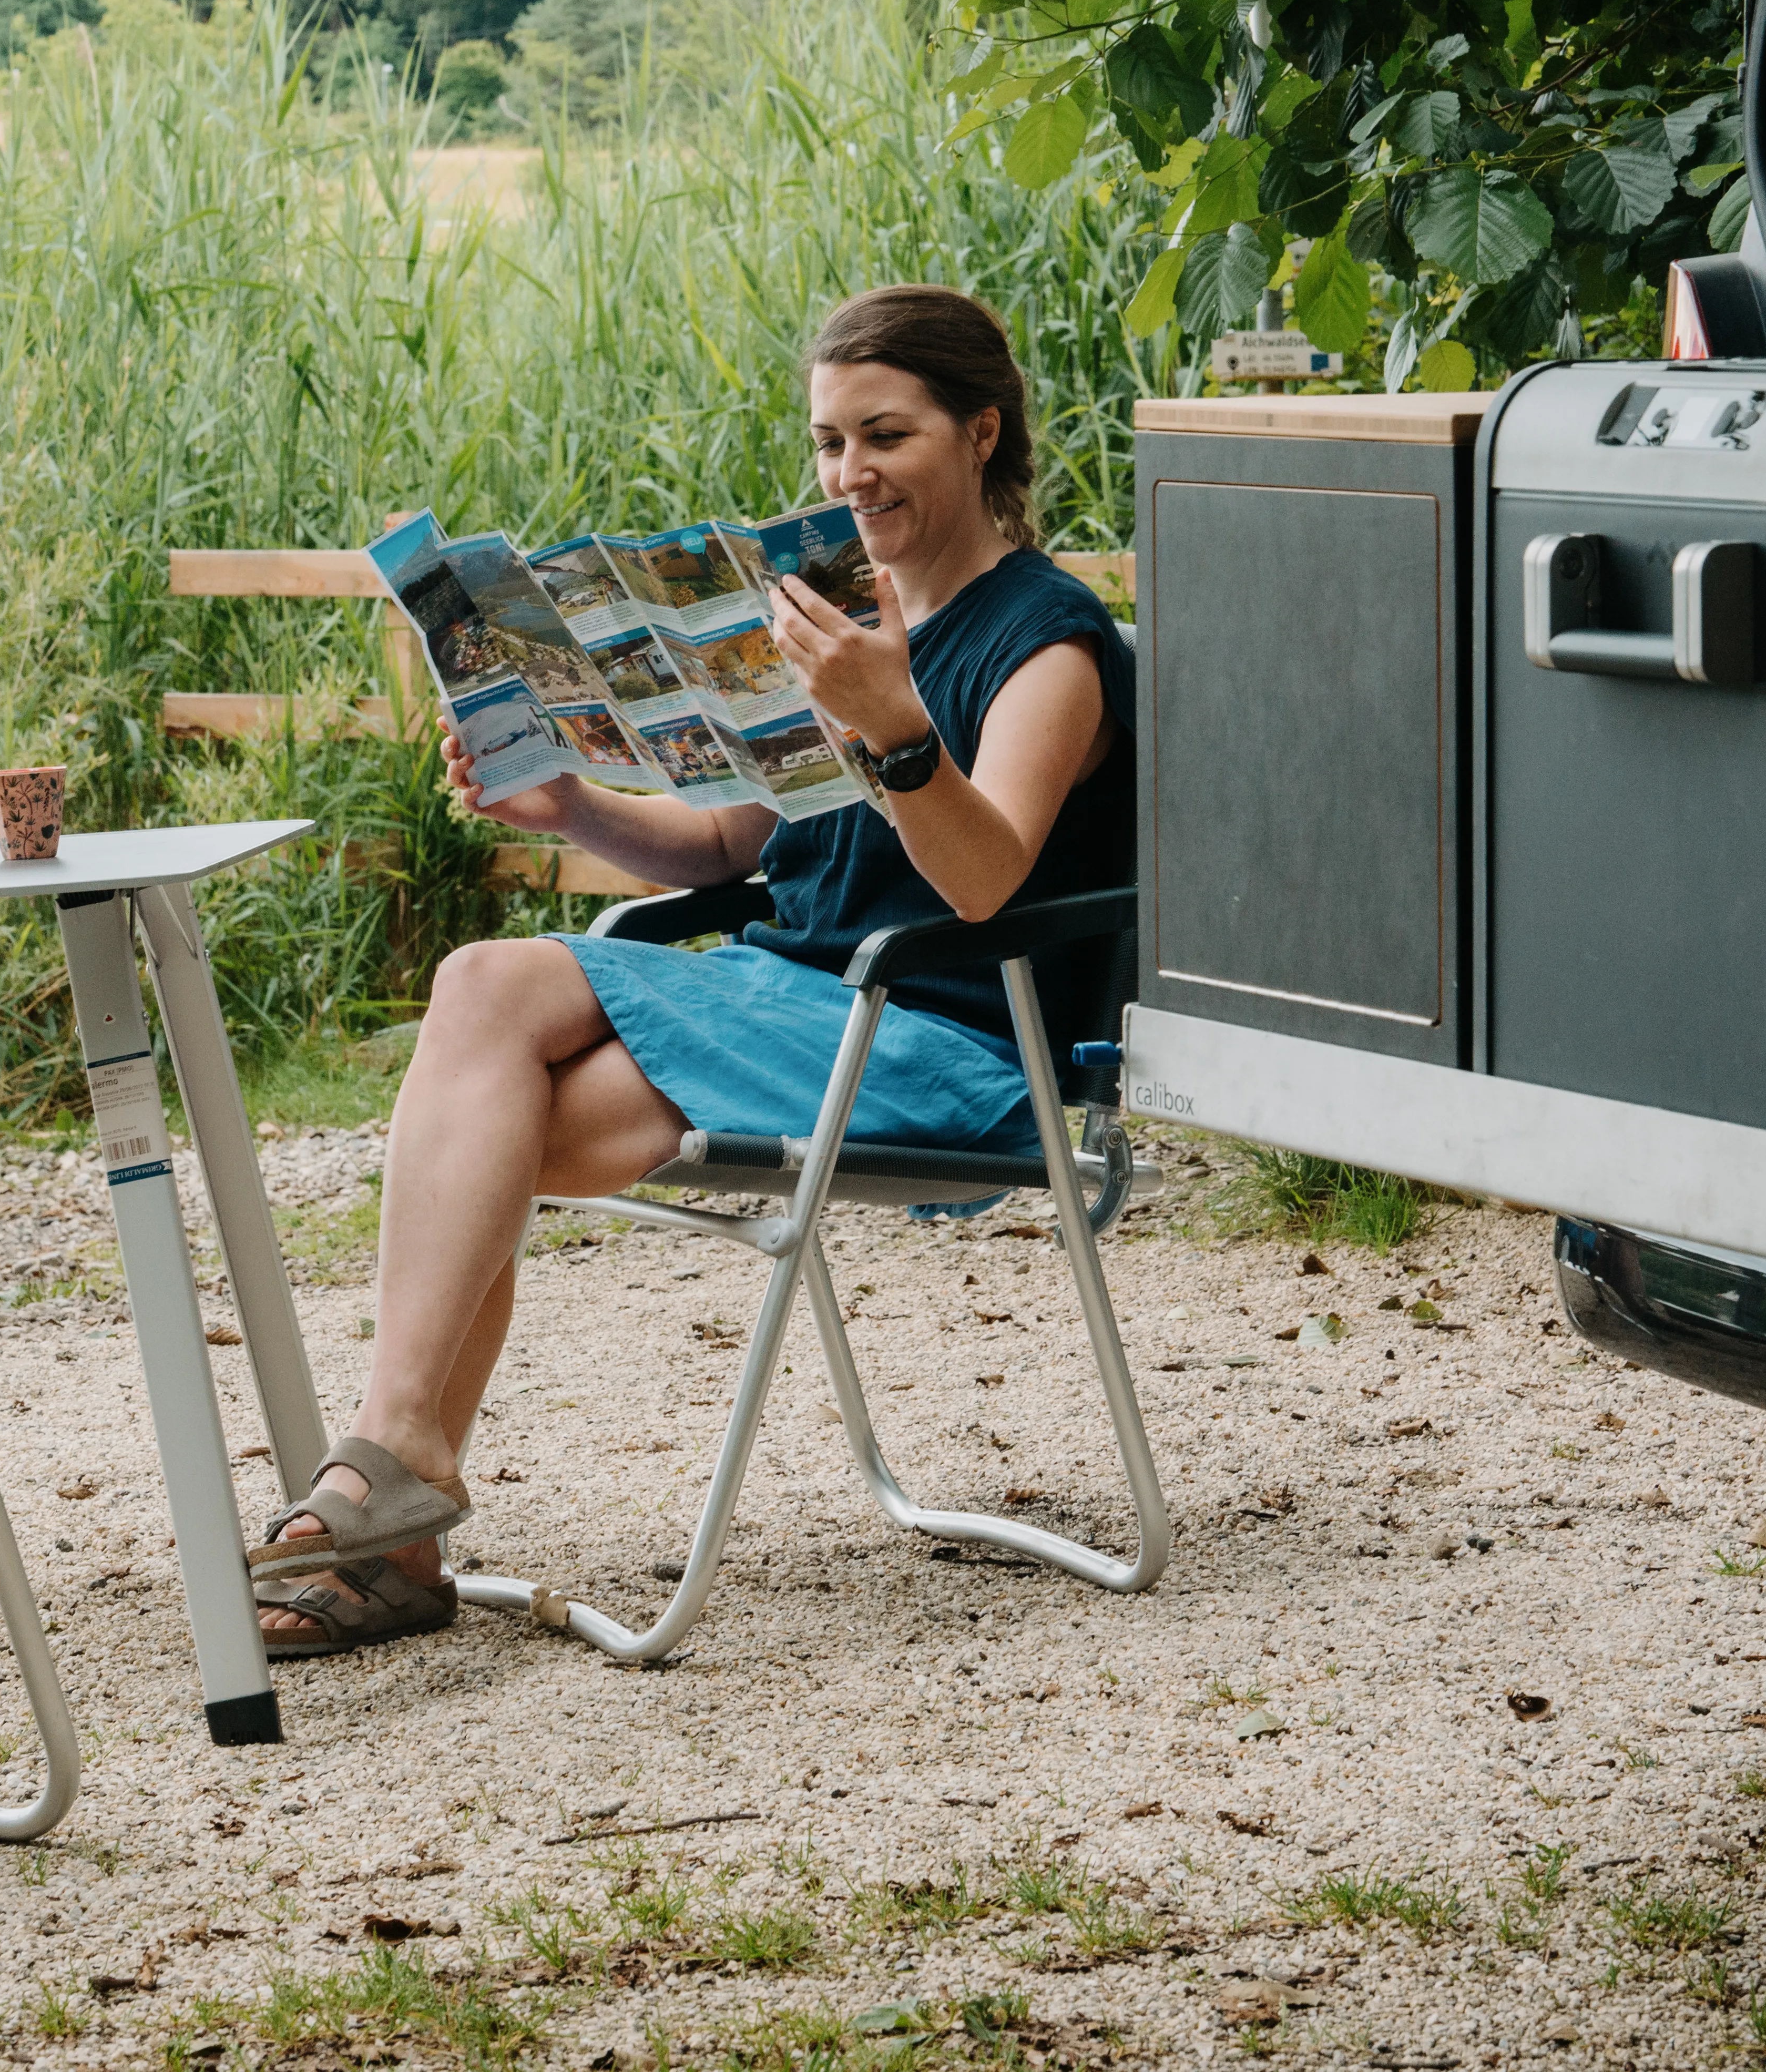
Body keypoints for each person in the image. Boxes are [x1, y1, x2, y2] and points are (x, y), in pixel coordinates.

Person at [251, 283, 1136, 1654]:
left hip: (940, 1042)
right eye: (831, 442)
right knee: (504, 1100)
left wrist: (895, 728)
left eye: (885, 435)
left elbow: (983, 880)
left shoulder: (1049, 643)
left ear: (980, 433)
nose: (851, 474)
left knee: (485, 993)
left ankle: (392, 1484)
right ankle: (401, 1508)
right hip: (794, 1006)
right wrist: (575, 812)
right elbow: (732, 841)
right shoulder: (836, 621)